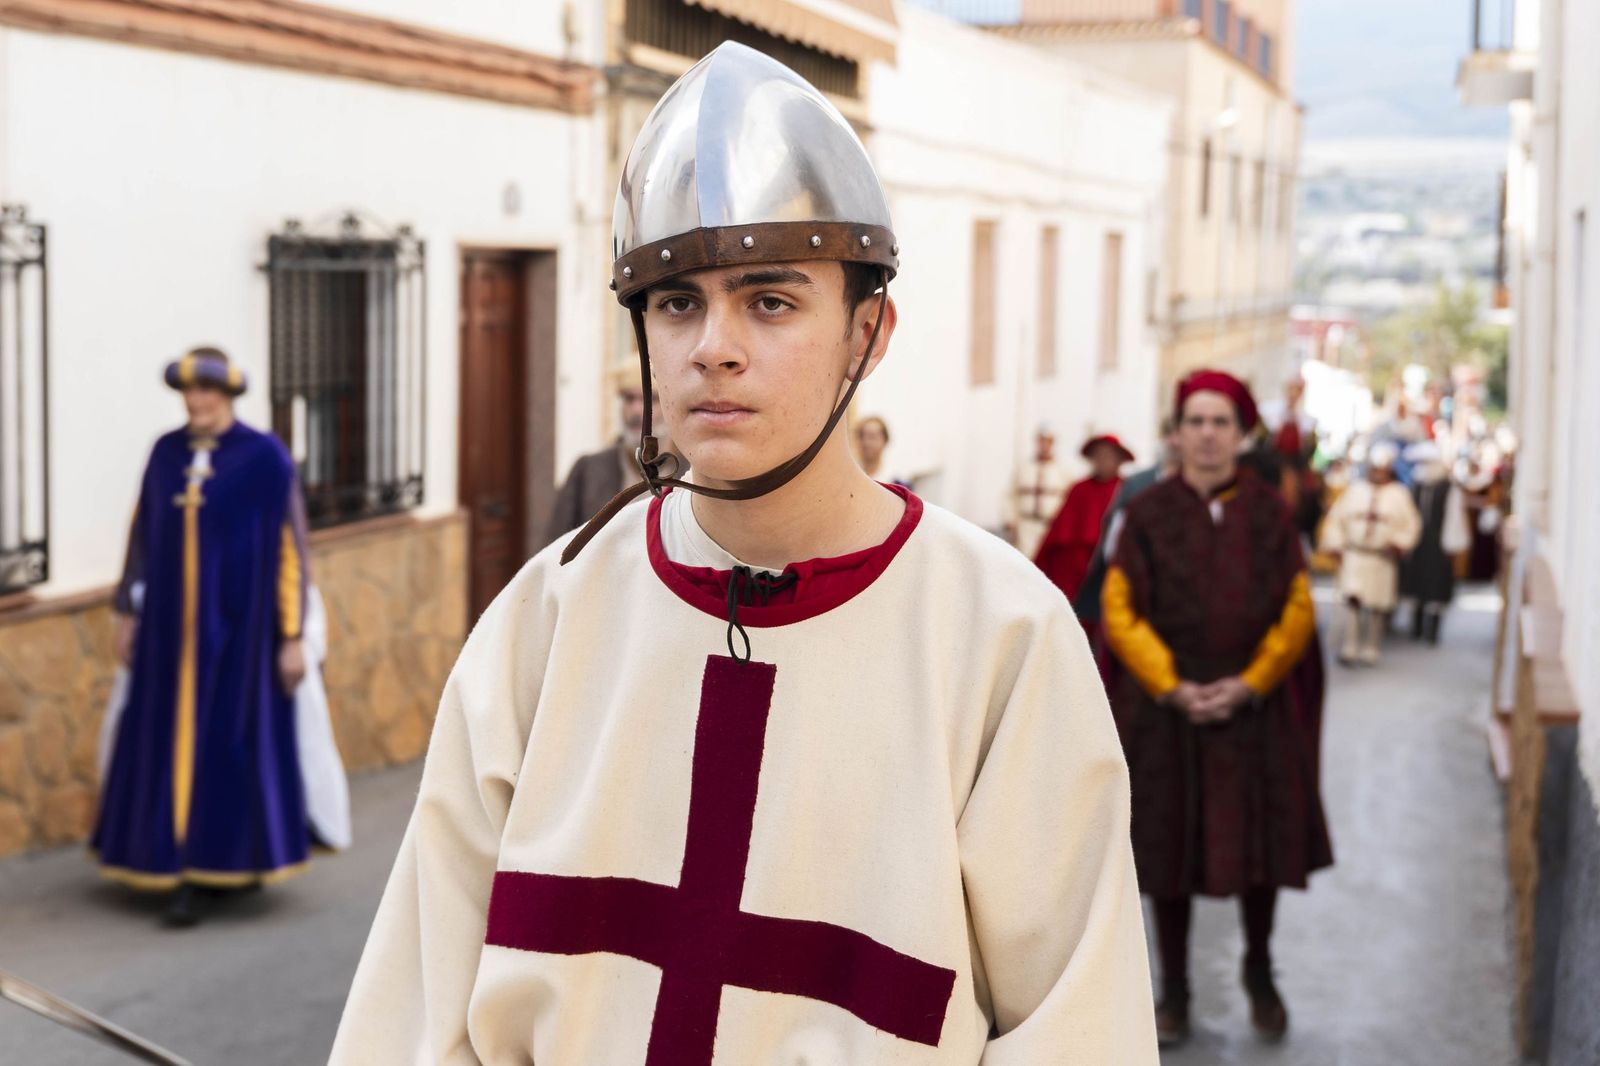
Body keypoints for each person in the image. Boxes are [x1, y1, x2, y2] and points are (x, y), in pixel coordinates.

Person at [330, 43, 1157, 1064]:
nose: (712, 345)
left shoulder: (1001, 639)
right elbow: (416, 1013)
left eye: (769, 301)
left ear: (868, 333)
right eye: (678, 302)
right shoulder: (549, 617)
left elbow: (1074, 1031)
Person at [1102, 369, 1332, 1047]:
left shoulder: (1271, 512)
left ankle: (1259, 969)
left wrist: (1251, 682)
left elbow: (1297, 606)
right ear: (1175, 433)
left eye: (1220, 422)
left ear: (1242, 433)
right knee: (1168, 852)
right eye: (1195, 421)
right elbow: (1120, 607)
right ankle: (1173, 992)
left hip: (1253, 710)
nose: (1207, 434)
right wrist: (1171, 684)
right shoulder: (1143, 514)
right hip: (1166, 712)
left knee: (1260, 848)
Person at [94, 346, 321, 927]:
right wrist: (127, 611)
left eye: (207, 393)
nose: (196, 402)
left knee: (229, 744)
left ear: (227, 398)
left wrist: (292, 634)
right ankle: (171, 862)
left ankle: (215, 868)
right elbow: (141, 535)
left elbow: (289, 547)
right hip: (169, 631)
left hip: (243, 633)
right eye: (189, 393)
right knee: (164, 739)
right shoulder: (165, 453)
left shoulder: (263, 457)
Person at [542, 355, 675, 546]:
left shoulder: (694, 473)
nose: (636, 410)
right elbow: (555, 547)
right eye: (629, 399)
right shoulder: (588, 470)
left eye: (650, 399)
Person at [1320, 441, 1423, 666]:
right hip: (1355, 554)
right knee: (1353, 599)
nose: (1377, 474)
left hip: (1381, 557)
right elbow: (1336, 519)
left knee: (1376, 603)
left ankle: (1371, 645)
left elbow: (1411, 525)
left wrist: (1398, 544)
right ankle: (1350, 644)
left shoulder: (1399, 494)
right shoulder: (1355, 490)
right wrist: (1335, 544)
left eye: (1382, 470)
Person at [1034, 434, 1133, 605]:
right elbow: (1058, 532)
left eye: (1109, 456)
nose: (1103, 461)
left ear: (1119, 460)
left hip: (1112, 570)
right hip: (1074, 573)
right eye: (1098, 456)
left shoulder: (1127, 489)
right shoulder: (1079, 489)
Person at [1399, 441, 1471, 644]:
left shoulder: (1448, 489)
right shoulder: (1416, 486)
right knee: (1417, 584)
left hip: (1438, 545)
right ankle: (1417, 627)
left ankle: (1432, 631)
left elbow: (1453, 519)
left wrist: (1451, 545)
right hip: (1418, 543)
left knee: (1436, 587)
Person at [1003, 424, 1066, 557]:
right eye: (1041, 441)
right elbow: (1010, 495)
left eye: (1048, 441)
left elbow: (1068, 501)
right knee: (1024, 561)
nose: (1044, 445)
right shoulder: (1023, 468)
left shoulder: (1063, 472)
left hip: (1050, 527)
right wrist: (1010, 520)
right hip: (1025, 526)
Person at [854, 414, 910, 488]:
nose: (866, 442)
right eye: (861, 436)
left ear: (885, 441)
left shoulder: (896, 480)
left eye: (872, 437)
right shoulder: (850, 474)